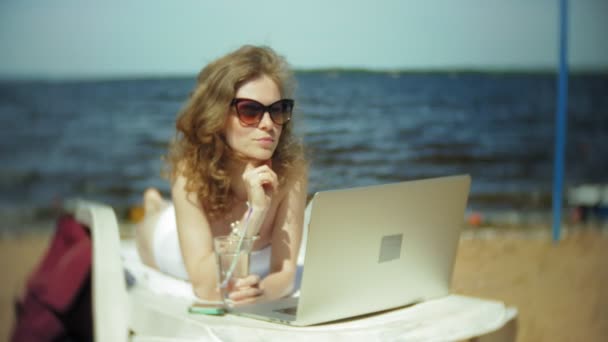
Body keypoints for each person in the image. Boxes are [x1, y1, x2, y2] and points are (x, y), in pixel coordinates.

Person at [135, 45, 308, 305]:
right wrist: (255, 213)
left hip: (228, 249)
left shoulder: (291, 173)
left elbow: (284, 275)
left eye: (277, 110)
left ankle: (162, 204)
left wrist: (262, 293)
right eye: (250, 110)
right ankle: (154, 207)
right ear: (218, 116)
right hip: (170, 242)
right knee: (148, 227)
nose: (268, 124)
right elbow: (207, 288)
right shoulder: (190, 171)